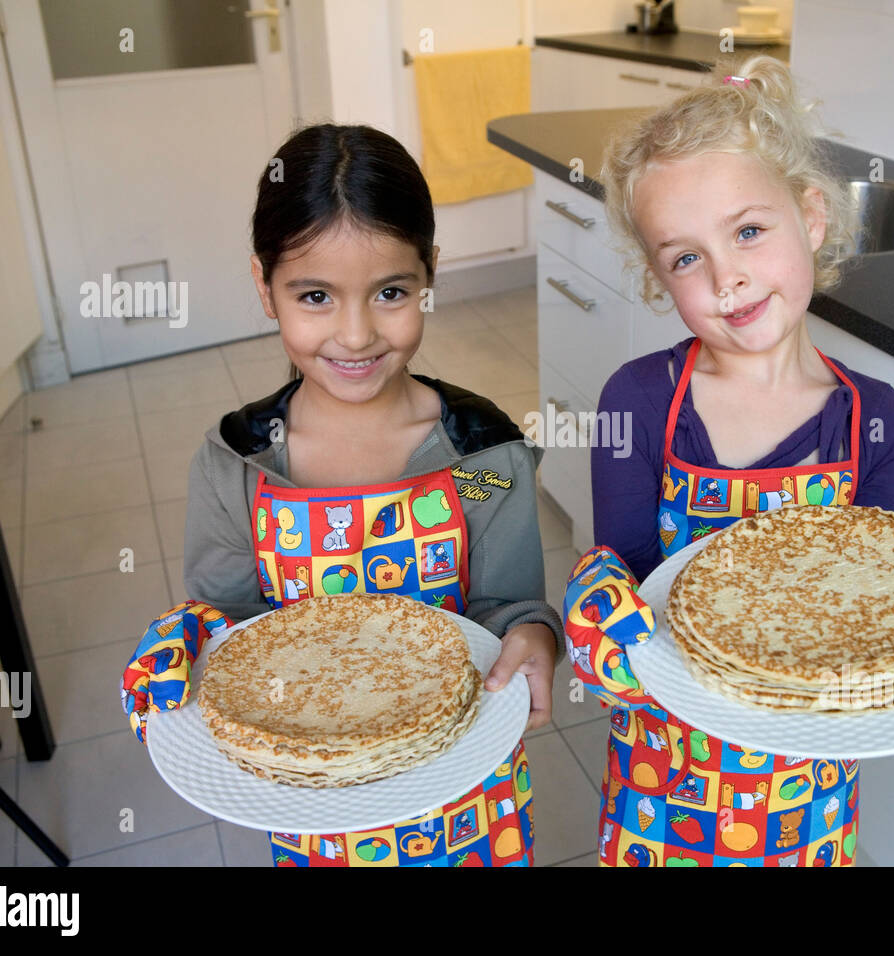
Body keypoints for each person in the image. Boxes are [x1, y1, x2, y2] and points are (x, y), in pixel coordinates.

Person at [564, 55, 894, 867]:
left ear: (812, 216)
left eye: (748, 231)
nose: (727, 277)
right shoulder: (638, 401)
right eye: (685, 258)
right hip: (664, 776)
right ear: (659, 279)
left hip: (806, 797)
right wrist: (594, 617)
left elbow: (876, 600)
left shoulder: (879, 426)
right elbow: (618, 574)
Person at [121, 123, 561, 868]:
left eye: (390, 292)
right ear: (264, 286)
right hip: (315, 807)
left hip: (465, 797)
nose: (355, 335)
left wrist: (536, 638)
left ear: (429, 277)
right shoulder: (239, 468)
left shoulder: (480, 458)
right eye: (316, 296)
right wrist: (182, 646)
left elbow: (511, 608)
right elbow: (230, 634)